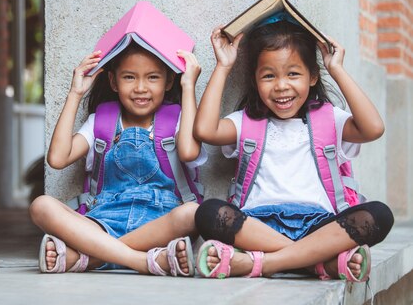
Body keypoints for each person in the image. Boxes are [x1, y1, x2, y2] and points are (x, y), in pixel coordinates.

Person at [192, 16, 394, 281]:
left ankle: (257, 263)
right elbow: (205, 131)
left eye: (293, 74)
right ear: (254, 81)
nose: (281, 86)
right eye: (268, 76)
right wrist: (223, 66)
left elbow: (373, 128)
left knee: (379, 215)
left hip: (318, 226)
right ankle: (318, 263)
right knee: (208, 213)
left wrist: (338, 69)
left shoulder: (328, 119)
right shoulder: (247, 121)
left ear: (312, 77)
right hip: (258, 226)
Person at [29, 43, 207, 276]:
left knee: (192, 213)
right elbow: (58, 158)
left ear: (169, 81)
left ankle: (89, 258)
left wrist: (188, 85)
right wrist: (75, 93)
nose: (141, 88)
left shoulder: (176, 118)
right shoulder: (100, 122)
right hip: (104, 220)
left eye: (153, 77)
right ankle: (144, 261)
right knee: (41, 206)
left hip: (160, 221)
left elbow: (188, 152)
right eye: (129, 77)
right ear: (114, 82)